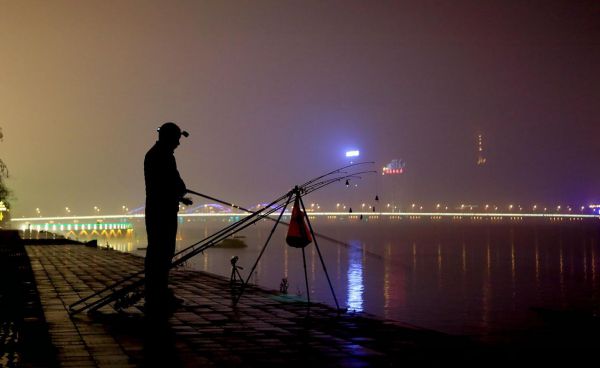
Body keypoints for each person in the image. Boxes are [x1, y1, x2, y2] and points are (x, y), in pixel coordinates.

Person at [144, 122, 192, 316]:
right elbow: (167, 184)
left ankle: (157, 292)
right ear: (169, 138)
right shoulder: (161, 156)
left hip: (160, 209)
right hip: (161, 212)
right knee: (161, 252)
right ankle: (157, 294)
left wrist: (180, 197)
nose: (179, 143)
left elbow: (166, 184)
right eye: (177, 139)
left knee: (159, 252)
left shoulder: (158, 155)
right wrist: (179, 192)